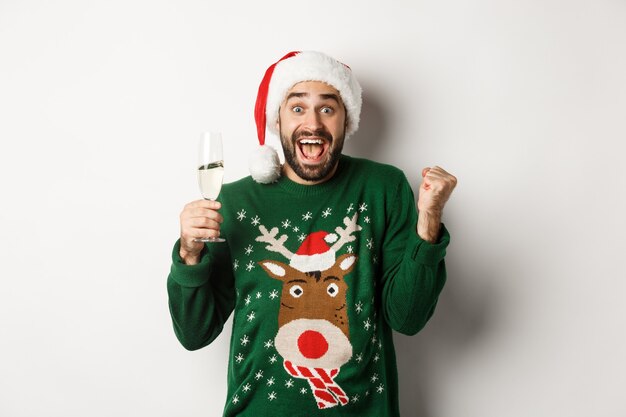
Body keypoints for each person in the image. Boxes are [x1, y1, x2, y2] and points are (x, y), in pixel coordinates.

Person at [167, 50, 457, 416]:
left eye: (328, 108)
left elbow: (408, 318)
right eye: (298, 108)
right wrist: (189, 257)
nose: (313, 124)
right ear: (279, 119)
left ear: (345, 119)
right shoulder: (235, 201)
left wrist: (428, 221)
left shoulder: (384, 188)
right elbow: (195, 334)